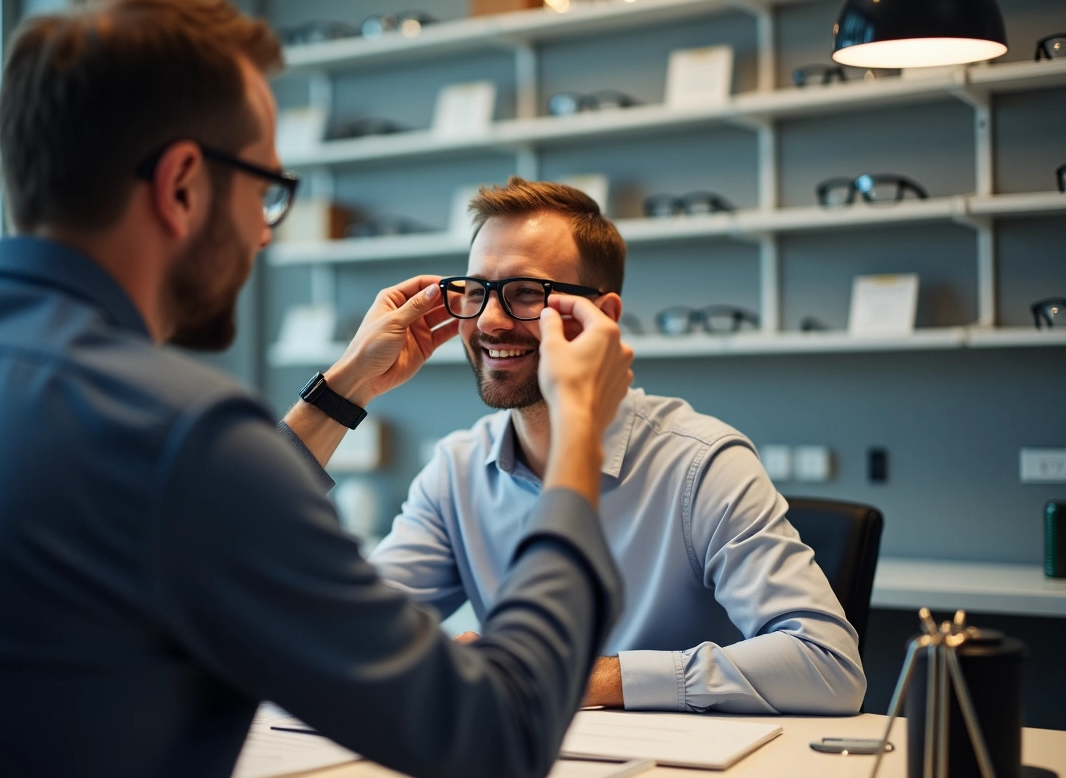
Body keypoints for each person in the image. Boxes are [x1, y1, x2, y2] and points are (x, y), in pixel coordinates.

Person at [0, 0, 636, 778]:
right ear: (183, 184)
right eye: (264, 190)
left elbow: (184, 520)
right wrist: (577, 438)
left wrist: (343, 390)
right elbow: (496, 735)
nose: (264, 230)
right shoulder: (184, 433)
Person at [366, 176, 868, 715]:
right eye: (475, 290)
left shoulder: (701, 462)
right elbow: (355, 635)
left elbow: (828, 665)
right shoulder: (457, 469)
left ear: (601, 318)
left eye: (526, 294)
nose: (489, 321)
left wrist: (588, 679)